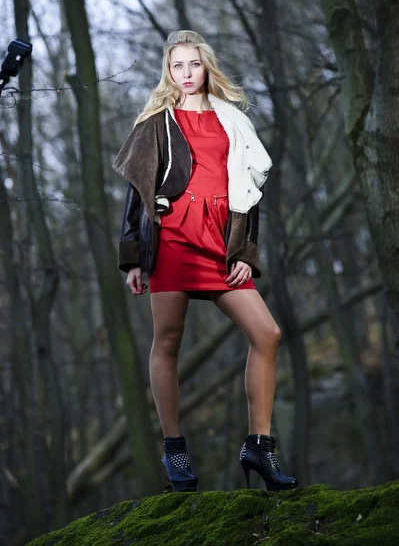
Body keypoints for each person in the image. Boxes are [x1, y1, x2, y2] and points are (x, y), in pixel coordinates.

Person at [112, 29, 297, 494]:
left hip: (220, 241)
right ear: (168, 72)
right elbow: (135, 196)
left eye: (194, 64)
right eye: (178, 66)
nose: (187, 73)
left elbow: (249, 195)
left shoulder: (232, 120)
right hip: (171, 236)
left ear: (207, 67)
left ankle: (259, 445)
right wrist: (133, 258)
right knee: (168, 340)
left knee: (267, 333)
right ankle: (174, 450)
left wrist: (245, 255)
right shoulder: (157, 121)